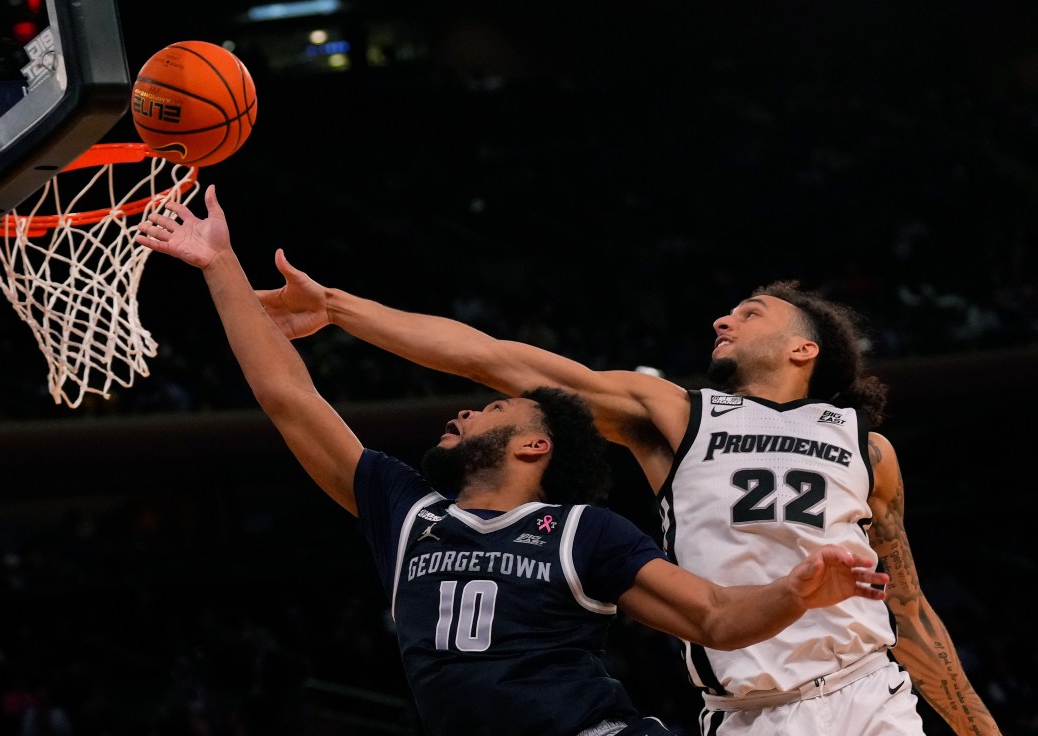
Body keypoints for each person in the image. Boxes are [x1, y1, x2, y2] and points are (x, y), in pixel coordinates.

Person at [133, 185, 890, 736]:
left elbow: (717, 616)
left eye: (491, 409)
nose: (461, 409)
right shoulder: (410, 514)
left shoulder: (583, 532)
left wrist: (794, 593)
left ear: (537, 446)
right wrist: (223, 267)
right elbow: (291, 398)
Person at [248, 249, 1003, 736]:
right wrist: (340, 309)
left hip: (867, 689)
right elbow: (494, 360)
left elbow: (906, 609)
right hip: (750, 713)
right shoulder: (676, 413)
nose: (724, 317)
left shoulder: (867, 449)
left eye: (750, 312)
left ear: (804, 348)